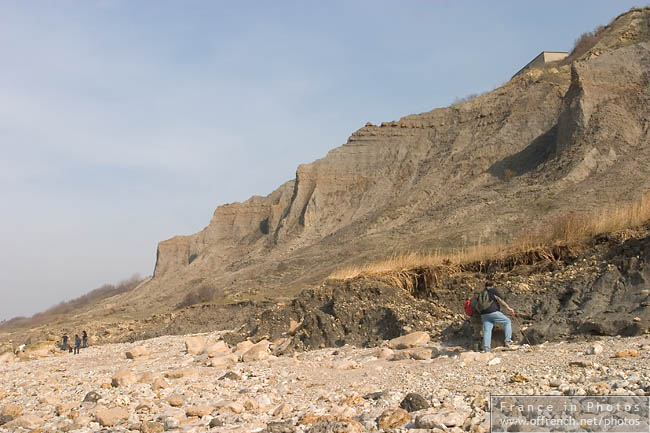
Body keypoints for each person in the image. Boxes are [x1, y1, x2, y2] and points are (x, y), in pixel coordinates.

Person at [479, 281, 516, 352]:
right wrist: (509, 308)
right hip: (493, 312)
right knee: (507, 321)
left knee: (487, 331)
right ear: (492, 285)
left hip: (484, 314)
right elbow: (501, 299)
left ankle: (486, 349)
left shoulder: (481, 293)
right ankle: (508, 341)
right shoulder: (493, 290)